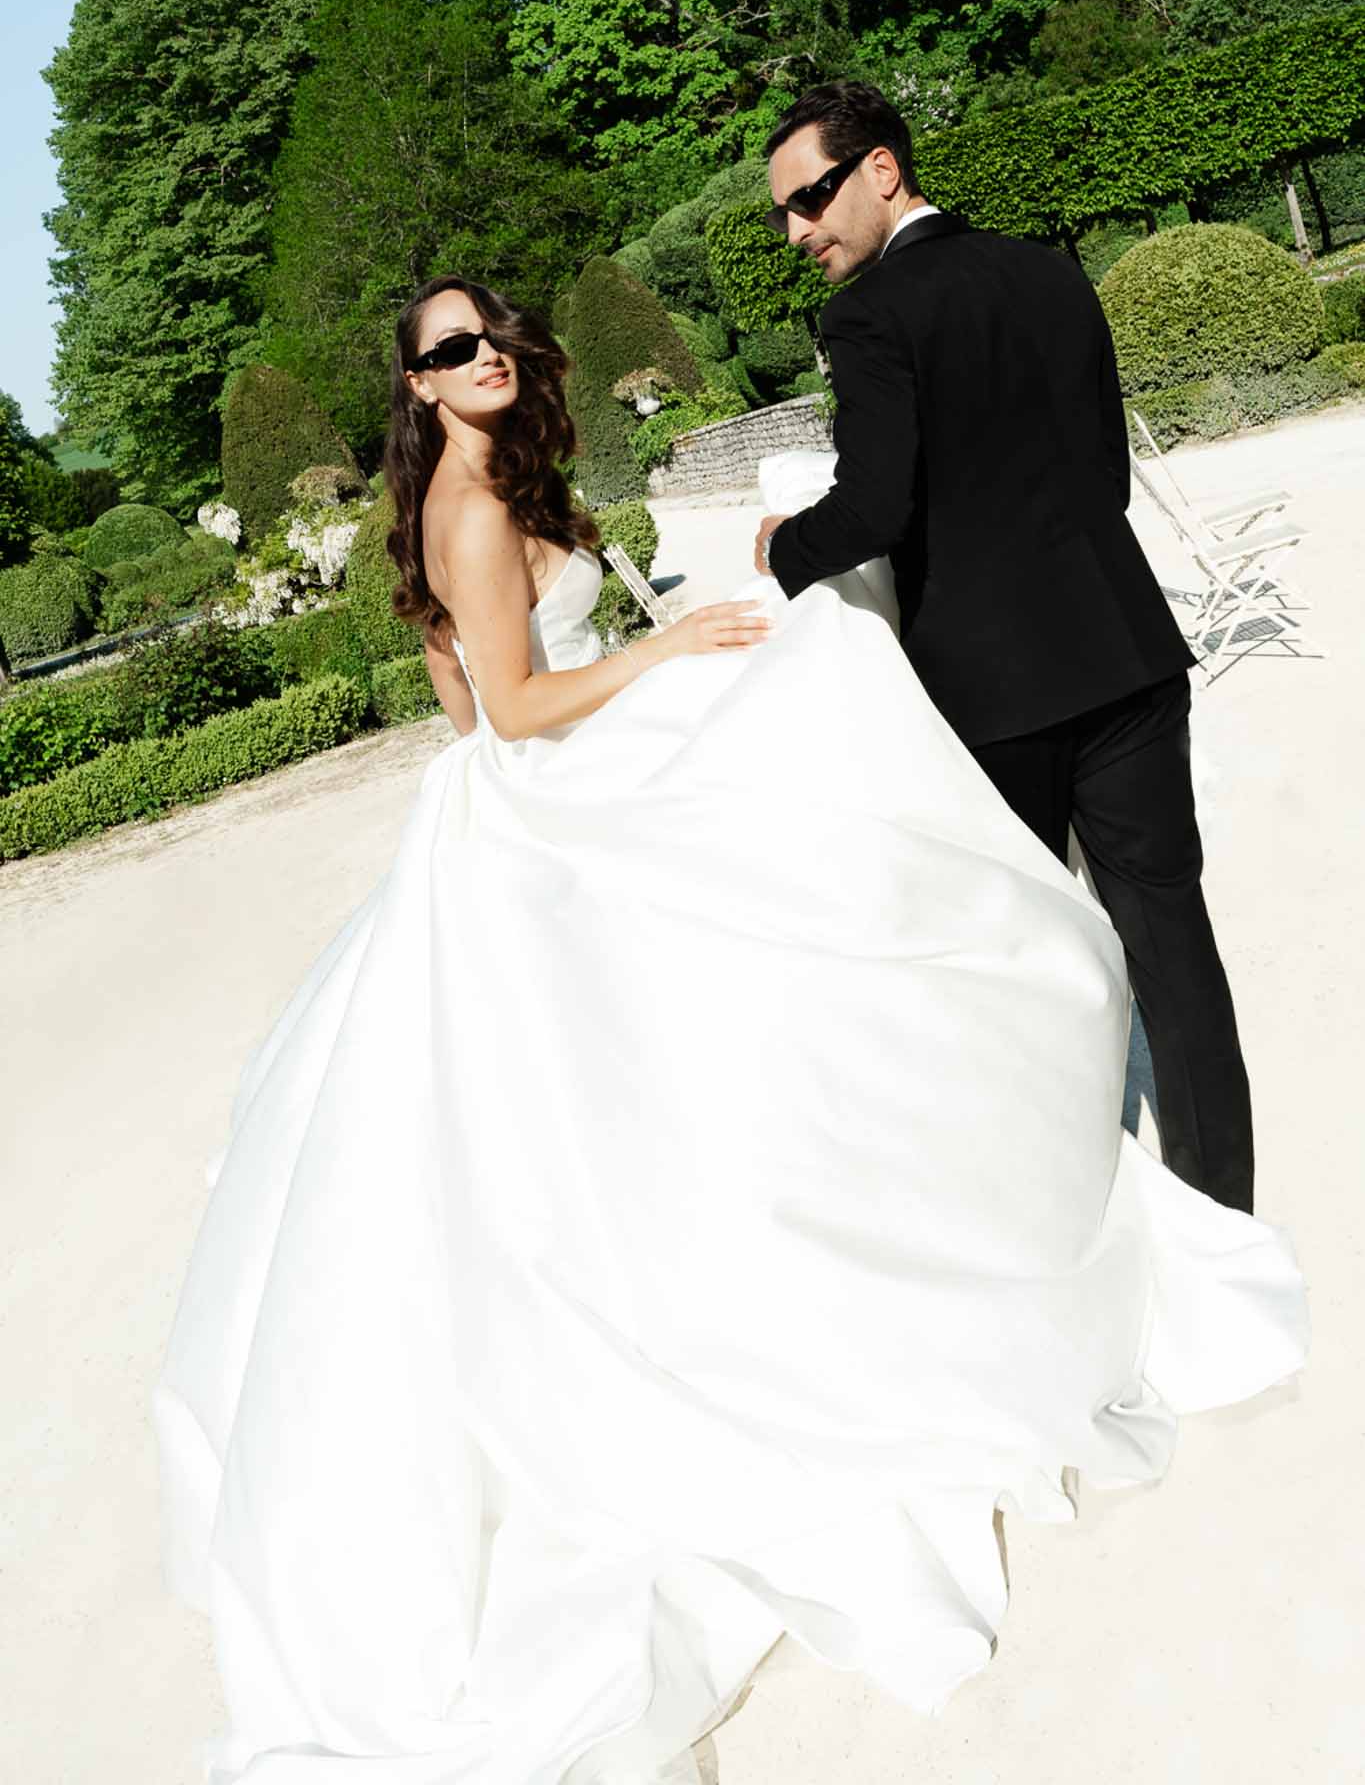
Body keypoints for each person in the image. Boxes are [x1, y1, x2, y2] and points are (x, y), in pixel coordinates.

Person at [155, 274, 1306, 1785]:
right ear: (420, 386)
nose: (483, 355)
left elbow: (462, 706)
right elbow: (504, 706)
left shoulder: (483, 485)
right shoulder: (476, 505)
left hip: (519, 818)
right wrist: (658, 654)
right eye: (450, 350)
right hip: (532, 806)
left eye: (491, 332)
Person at [756, 81, 1253, 1214]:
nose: (798, 231)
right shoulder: (1052, 267)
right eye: (786, 212)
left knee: (1017, 970)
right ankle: (1223, 1220)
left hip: (993, 699)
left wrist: (786, 544)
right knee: (1175, 949)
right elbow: (1105, 476)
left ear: (882, 168)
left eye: (812, 198)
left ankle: (1063, 1223)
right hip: (1125, 650)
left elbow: (874, 509)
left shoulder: (867, 316)